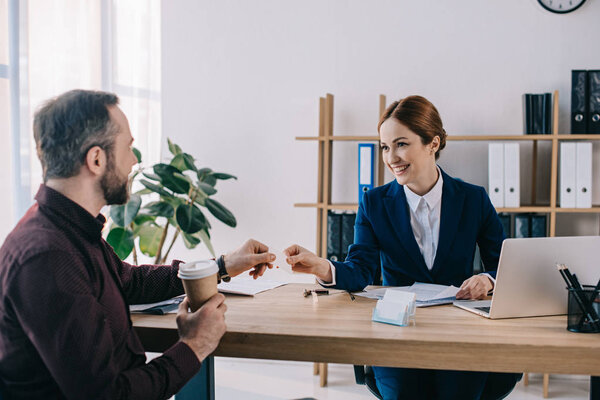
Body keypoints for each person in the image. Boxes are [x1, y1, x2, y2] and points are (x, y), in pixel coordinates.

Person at [0, 89, 275, 399]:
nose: (134, 161)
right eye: (128, 147)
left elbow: (129, 281)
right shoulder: (48, 256)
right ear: (96, 158)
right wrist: (194, 346)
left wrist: (221, 266)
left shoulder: (69, 230)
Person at [285, 96, 520, 400]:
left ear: (432, 143)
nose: (391, 157)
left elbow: (504, 267)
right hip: (397, 332)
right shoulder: (374, 203)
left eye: (401, 144)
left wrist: (487, 280)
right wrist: (322, 267)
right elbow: (361, 271)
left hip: (459, 333)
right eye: (385, 147)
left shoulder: (473, 199)